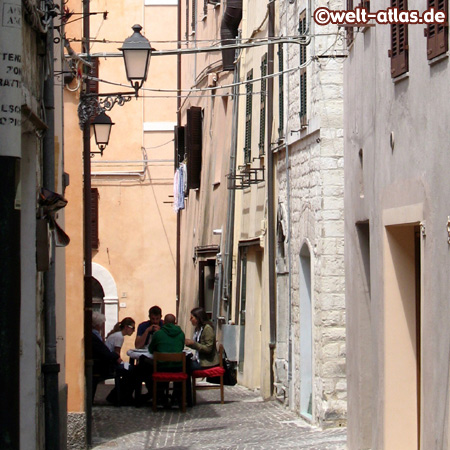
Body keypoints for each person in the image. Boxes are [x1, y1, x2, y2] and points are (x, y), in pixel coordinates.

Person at [92, 311, 134, 404]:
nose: (133, 330)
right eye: (132, 328)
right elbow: (116, 354)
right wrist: (121, 362)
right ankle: (119, 396)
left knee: (130, 369)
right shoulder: (119, 336)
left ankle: (117, 395)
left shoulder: (116, 334)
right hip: (107, 364)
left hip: (105, 361)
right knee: (132, 370)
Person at [185, 307, 220, 371]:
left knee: (185, 367)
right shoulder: (198, 329)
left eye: (192, 317)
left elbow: (208, 349)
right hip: (198, 359)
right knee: (185, 363)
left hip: (207, 363)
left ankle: (185, 381)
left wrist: (193, 344)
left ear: (198, 318)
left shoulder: (207, 329)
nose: (190, 320)